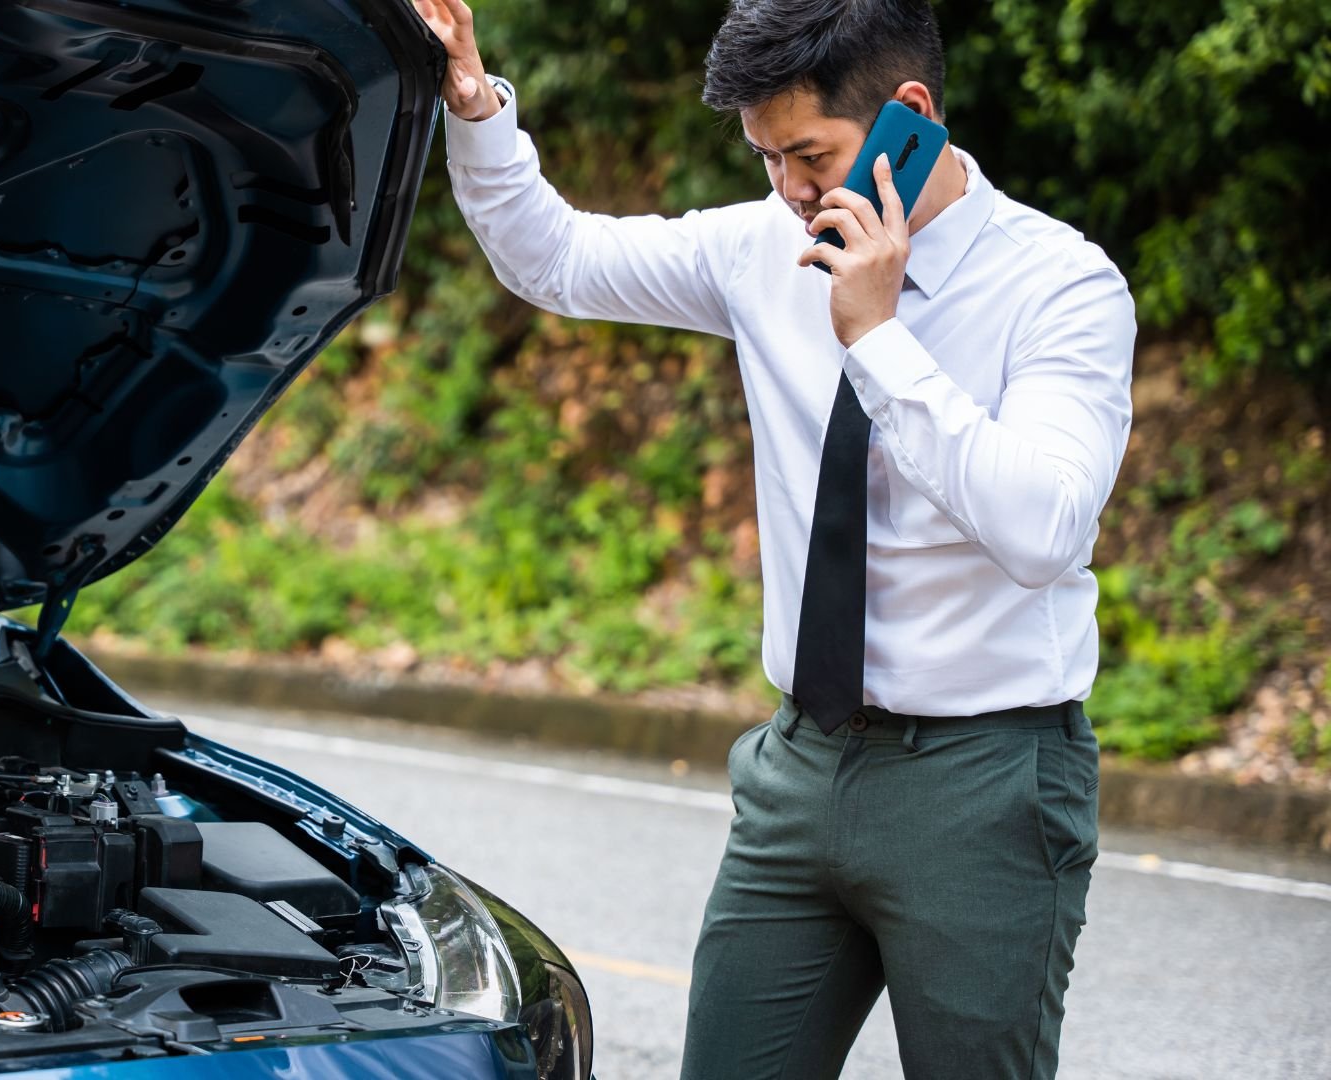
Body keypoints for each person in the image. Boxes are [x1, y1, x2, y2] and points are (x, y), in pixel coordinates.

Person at [408, 0, 1135, 1076]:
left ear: (911, 116)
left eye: (810, 154)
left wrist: (880, 338)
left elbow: (1042, 528)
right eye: (764, 156)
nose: (789, 189)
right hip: (800, 766)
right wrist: (475, 108)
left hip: (987, 780)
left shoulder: (1061, 286)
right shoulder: (763, 244)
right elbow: (555, 260)